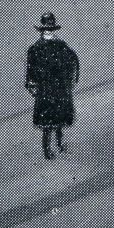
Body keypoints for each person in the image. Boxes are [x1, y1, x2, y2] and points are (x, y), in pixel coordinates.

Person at [25, 13, 79, 160]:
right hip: (50, 88)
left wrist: (70, 80)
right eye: (46, 28)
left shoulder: (58, 46)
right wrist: (33, 87)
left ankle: (58, 145)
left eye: (50, 28)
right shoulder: (36, 49)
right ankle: (48, 149)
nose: (48, 31)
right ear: (42, 30)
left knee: (56, 119)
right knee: (49, 122)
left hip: (55, 87)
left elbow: (73, 62)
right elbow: (30, 72)